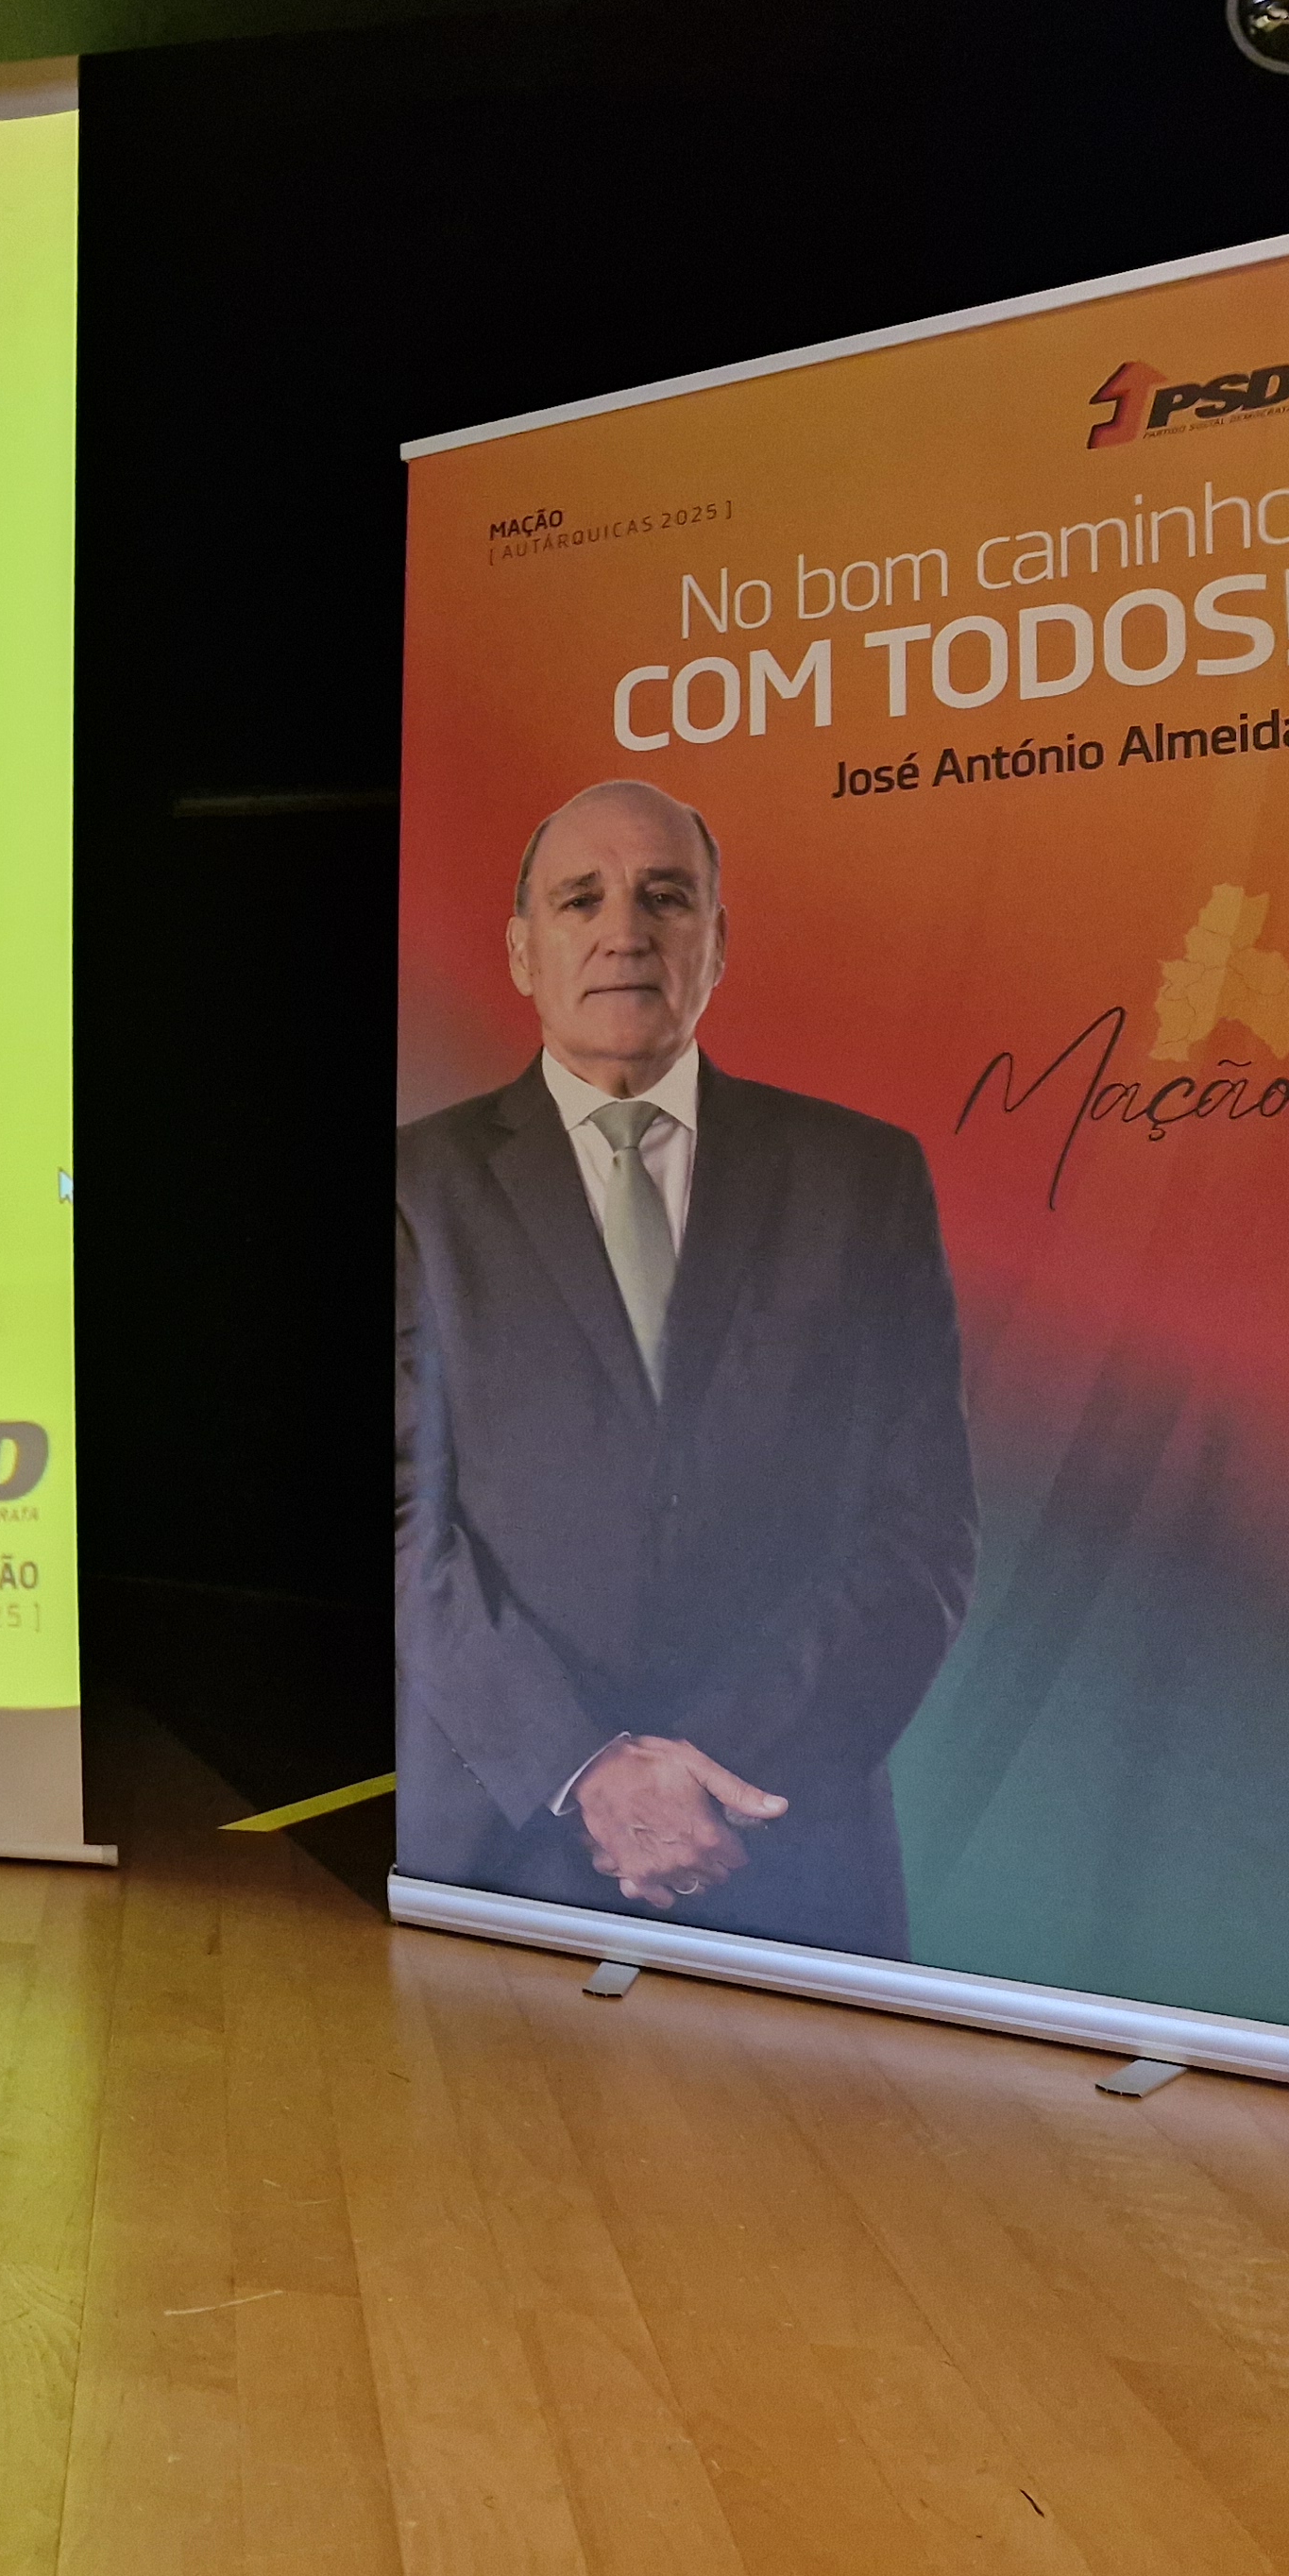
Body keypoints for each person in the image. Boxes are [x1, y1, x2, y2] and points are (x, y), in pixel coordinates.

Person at [393, 779, 976, 1956]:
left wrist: (718, 1766)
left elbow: (921, 1526)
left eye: (664, 897)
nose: (624, 931)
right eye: (580, 900)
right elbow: (405, 1519)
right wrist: (581, 1767)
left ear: (717, 942)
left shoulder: (859, 1179)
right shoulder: (418, 1190)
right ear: (521, 950)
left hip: (780, 1832)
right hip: (501, 1830)